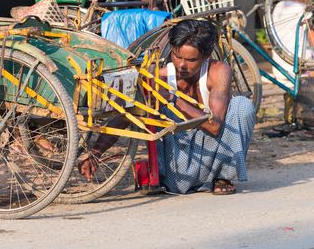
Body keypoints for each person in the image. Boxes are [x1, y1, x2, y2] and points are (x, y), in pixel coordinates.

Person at [78, 19, 255, 195]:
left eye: (191, 60)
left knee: (242, 106)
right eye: (177, 56)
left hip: (214, 153)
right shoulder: (160, 78)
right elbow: (125, 116)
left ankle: (223, 177)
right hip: (181, 167)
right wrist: (96, 153)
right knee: (149, 103)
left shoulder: (218, 71)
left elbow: (214, 126)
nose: (182, 65)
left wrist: (172, 98)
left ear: (207, 55)